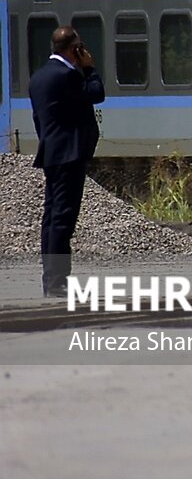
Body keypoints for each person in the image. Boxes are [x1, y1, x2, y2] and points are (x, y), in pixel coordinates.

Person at [28, 26, 105, 297]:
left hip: (52, 153)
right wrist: (90, 68)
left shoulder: (38, 78)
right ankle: (58, 281)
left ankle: (51, 278)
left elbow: (40, 120)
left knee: (51, 218)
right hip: (70, 155)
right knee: (63, 218)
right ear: (75, 49)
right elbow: (96, 93)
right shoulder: (67, 75)